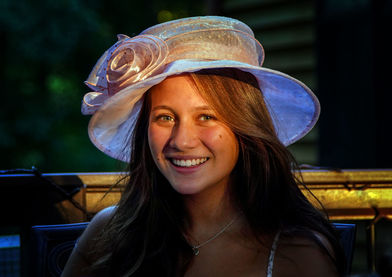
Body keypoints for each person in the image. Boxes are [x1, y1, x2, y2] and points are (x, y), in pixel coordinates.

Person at [62, 16, 345, 276]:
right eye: (165, 117)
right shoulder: (107, 235)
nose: (182, 140)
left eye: (207, 117)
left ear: (244, 127)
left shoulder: (298, 255)